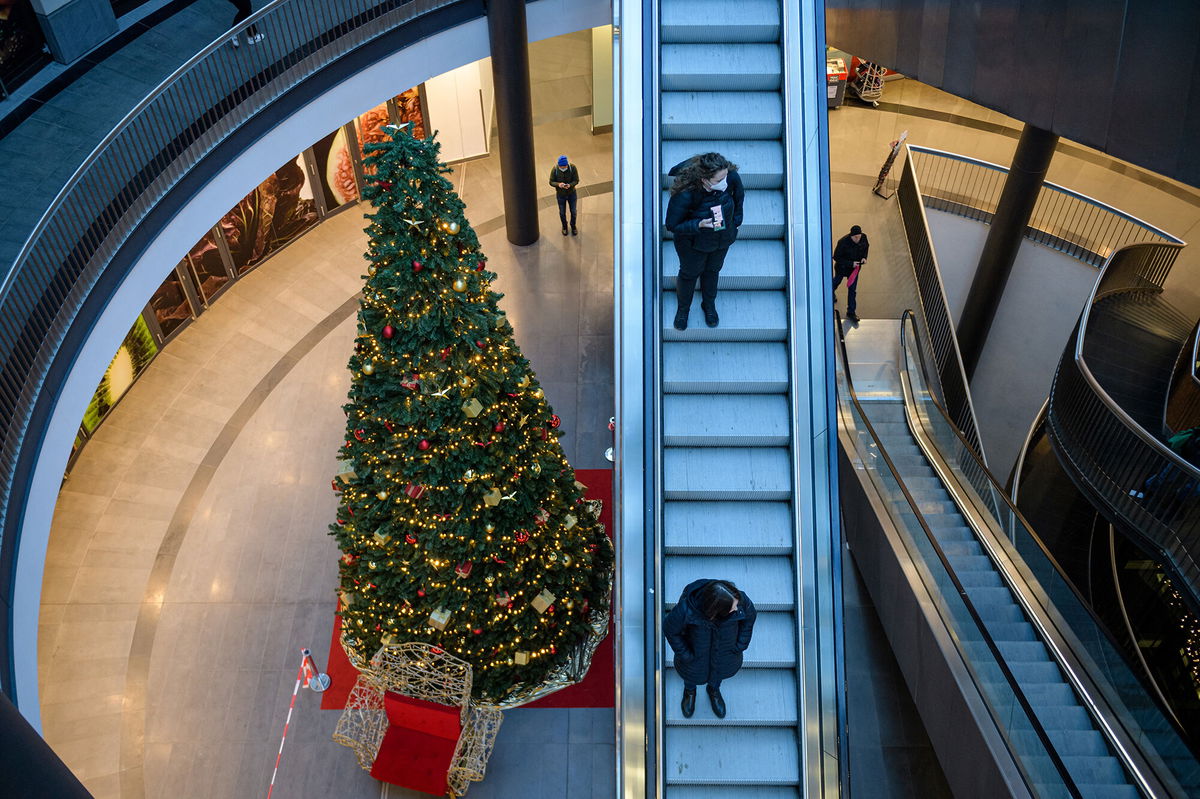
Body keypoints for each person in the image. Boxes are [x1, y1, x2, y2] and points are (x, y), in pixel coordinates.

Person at [664, 153, 744, 330]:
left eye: (725, 175)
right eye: (720, 179)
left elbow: (739, 198)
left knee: (712, 272)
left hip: (721, 240)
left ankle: (709, 305)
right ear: (705, 179)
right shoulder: (686, 194)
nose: (726, 180)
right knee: (689, 275)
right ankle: (683, 310)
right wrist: (698, 224)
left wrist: (735, 223)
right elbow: (672, 224)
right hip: (692, 245)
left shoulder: (730, 176)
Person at [664, 578, 756, 719]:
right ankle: (689, 691)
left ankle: (714, 690)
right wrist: (686, 655)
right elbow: (670, 629)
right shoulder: (686, 610)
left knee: (718, 675)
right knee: (690, 677)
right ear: (716, 610)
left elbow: (749, 617)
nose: (736, 608)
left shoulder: (739, 599)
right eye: (732, 607)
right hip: (695, 659)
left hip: (725, 655)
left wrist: (741, 644)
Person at [832, 224, 869, 323]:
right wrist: (850, 263)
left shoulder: (863, 238)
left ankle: (851, 312)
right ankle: (830, 292)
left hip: (854, 270)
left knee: (852, 290)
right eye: (855, 237)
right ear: (851, 236)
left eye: (859, 236)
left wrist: (864, 257)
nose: (858, 239)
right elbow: (836, 257)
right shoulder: (843, 242)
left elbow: (866, 247)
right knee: (836, 281)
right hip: (842, 268)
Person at [549, 155, 579, 236]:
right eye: (561, 166)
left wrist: (570, 185)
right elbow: (551, 182)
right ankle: (564, 227)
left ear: (567, 164)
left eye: (564, 166)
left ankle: (573, 226)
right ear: (558, 165)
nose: (562, 168)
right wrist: (558, 184)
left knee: (573, 211)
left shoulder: (572, 168)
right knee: (562, 212)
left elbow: (576, 180)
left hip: (571, 194)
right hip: (560, 195)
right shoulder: (555, 169)